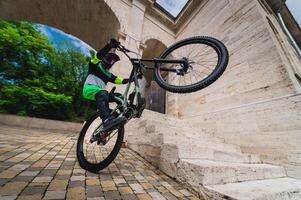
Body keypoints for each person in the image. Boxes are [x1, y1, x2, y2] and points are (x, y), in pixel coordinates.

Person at [82, 38, 130, 131]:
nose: (111, 61)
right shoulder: (94, 65)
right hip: (89, 89)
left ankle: (124, 114)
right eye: (109, 58)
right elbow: (98, 56)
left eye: (113, 61)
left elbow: (120, 80)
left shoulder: (108, 74)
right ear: (104, 58)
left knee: (119, 97)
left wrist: (133, 77)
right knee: (103, 93)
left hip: (101, 93)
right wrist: (109, 46)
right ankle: (107, 120)